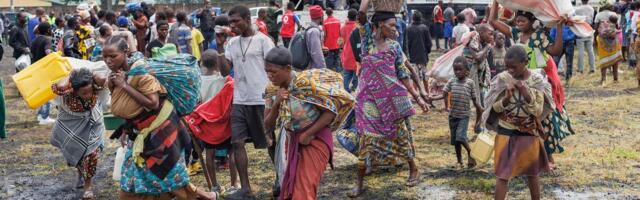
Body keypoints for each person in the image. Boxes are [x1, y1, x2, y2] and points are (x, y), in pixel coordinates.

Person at [103, 36, 217, 200]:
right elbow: (131, 107)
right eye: (105, 57)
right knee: (133, 179)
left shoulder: (141, 74)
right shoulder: (121, 74)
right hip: (139, 132)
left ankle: (205, 196)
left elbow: (153, 103)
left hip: (159, 131)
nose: (108, 61)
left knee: (170, 177)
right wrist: (125, 129)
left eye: (113, 56)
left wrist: (124, 86)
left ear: (125, 52)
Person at [348, 8, 430, 197]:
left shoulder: (394, 47)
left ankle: (413, 168)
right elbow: (361, 14)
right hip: (368, 100)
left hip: (393, 100)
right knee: (365, 139)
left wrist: (418, 97)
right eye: (391, 25)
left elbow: (402, 73)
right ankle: (359, 182)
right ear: (378, 26)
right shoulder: (366, 41)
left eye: (396, 25)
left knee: (400, 135)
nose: (396, 29)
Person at [489, 2, 575, 170]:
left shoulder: (538, 37)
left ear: (533, 20)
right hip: (518, 82)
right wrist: (496, 2)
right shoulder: (514, 34)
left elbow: (556, 51)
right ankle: (525, 158)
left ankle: (548, 160)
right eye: (518, 17)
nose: (520, 20)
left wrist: (559, 27)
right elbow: (492, 21)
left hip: (537, 84)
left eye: (525, 17)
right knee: (521, 119)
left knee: (543, 121)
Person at [263, 46, 353, 200]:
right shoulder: (272, 90)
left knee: (303, 189)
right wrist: (277, 102)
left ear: (288, 68)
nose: (270, 76)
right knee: (290, 188)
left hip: (315, 139)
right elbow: (267, 125)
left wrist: (308, 133)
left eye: (274, 72)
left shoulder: (305, 85)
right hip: (292, 142)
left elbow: (330, 112)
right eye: (267, 71)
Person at [481, 45, 553, 200]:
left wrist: (526, 94)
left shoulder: (536, 80)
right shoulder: (502, 79)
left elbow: (538, 112)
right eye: (507, 67)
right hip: (505, 131)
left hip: (528, 132)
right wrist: (506, 100)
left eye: (513, 67)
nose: (510, 71)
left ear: (525, 62)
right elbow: (493, 108)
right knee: (502, 175)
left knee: (532, 173)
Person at [220, 6, 275, 199]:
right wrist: (220, 46)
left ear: (247, 19)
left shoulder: (263, 41)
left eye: (236, 21)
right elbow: (225, 71)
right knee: (237, 142)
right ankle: (245, 188)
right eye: (230, 22)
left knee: (270, 142)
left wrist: (273, 96)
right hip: (240, 99)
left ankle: (281, 179)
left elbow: (273, 68)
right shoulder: (232, 43)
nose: (232, 25)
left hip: (261, 98)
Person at [50, 68, 108, 199]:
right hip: (72, 127)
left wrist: (90, 74)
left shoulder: (95, 86)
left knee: (91, 155)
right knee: (79, 155)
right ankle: (80, 173)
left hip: (93, 126)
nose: (88, 95)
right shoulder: (68, 93)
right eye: (84, 93)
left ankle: (88, 186)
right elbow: (59, 87)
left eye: (89, 92)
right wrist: (71, 75)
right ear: (75, 91)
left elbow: (103, 79)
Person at [197, 49, 240, 194]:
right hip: (225, 124)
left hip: (208, 126)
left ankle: (214, 185)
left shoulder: (198, 82)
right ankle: (234, 183)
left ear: (202, 63)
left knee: (209, 153)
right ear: (218, 64)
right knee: (232, 152)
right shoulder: (226, 81)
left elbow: (198, 103)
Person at [442, 56, 483, 168]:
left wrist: (479, 114)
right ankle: (459, 161)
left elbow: (475, 100)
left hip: (464, 116)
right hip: (453, 116)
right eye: (455, 70)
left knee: (460, 136)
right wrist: (446, 106)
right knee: (456, 141)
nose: (457, 72)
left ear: (467, 71)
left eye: (460, 69)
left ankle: (471, 153)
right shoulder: (452, 81)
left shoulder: (470, 83)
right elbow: (444, 92)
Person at [462, 24, 494, 110]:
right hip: (468, 72)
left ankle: (480, 119)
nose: (492, 36)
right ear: (481, 33)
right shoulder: (474, 40)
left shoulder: (484, 42)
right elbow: (477, 57)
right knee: (471, 97)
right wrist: (487, 47)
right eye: (490, 34)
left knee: (480, 97)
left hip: (478, 74)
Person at [31, 22, 56, 125]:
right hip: (44, 71)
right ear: (48, 30)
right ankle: (44, 117)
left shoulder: (34, 40)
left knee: (40, 94)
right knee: (47, 94)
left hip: (35, 69)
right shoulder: (47, 40)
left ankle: (40, 116)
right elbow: (48, 52)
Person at [406, 11, 433, 101]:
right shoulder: (424, 28)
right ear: (421, 18)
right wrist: (427, 52)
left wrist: (408, 55)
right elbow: (429, 43)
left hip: (413, 57)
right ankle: (427, 94)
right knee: (425, 77)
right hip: (423, 56)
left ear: (413, 18)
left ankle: (415, 96)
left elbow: (407, 44)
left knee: (415, 76)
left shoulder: (409, 29)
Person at [596, 16, 623, 84]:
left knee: (604, 63)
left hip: (604, 47)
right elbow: (613, 34)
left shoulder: (602, 25)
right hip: (614, 46)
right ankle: (615, 79)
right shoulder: (616, 26)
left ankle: (603, 79)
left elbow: (601, 33)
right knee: (615, 63)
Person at [575, 0, 596, 74]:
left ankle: (580, 69)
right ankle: (592, 68)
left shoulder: (577, 9)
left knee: (581, 51)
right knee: (590, 50)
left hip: (580, 30)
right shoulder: (592, 9)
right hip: (589, 29)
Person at [340, 9, 359, 93]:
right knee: (356, 73)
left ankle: (346, 90)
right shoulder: (358, 28)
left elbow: (340, 42)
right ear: (356, 17)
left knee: (347, 74)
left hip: (346, 54)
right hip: (356, 54)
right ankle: (354, 88)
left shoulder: (343, 28)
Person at [324, 8, 342, 72]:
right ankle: (338, 71)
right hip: (337, 43)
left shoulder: (325, 22)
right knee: (337, 57)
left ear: (326, 13)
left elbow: (325, 34)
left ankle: (330, 72)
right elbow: (340, 33)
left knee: (329, 58)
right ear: (332, 12)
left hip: (328, 44)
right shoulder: (337, 21)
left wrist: (323, 43)